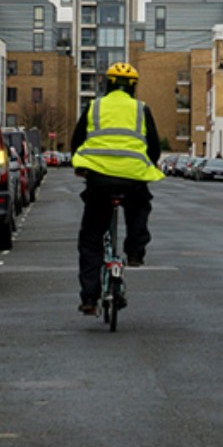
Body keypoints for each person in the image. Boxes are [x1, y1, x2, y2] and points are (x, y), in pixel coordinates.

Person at [71, 61, 165, 315]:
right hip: (133, 180)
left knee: (91, 239)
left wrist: (81, 166)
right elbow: (154, 146)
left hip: (99, 180)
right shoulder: (141, 109)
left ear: (107, 83)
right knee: (140, 206)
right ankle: (134, 251)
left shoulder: (94, 107)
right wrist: (148, 164)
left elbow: (77, 142)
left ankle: (90, 298)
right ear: (133, 87)